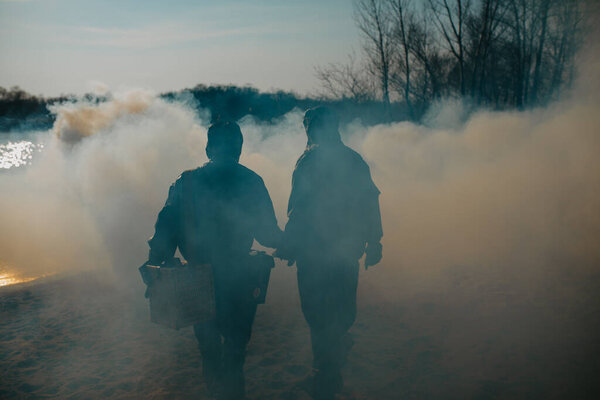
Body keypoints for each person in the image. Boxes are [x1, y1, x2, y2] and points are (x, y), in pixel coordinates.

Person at [146, 121, 282, 399]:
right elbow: (268, 234)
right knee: (236, 348)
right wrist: (294, 245)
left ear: (209, 147)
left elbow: (165, 227)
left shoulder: (186, 182)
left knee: (208, 348)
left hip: (198, 278)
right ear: (239, 147)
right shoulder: (251, 181)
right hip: (240, 276)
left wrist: (156, 267)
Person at [278, 107, 383, 399]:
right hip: (347, 248)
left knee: (316, 312)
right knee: (342, 308)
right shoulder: (354, 159)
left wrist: (289, 244)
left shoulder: (308, 160)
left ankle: (325, 371)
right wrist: (375, 242)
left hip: (315, 251)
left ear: (311, 129)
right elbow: (370, 203)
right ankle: (331, 359)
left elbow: (298, 209)